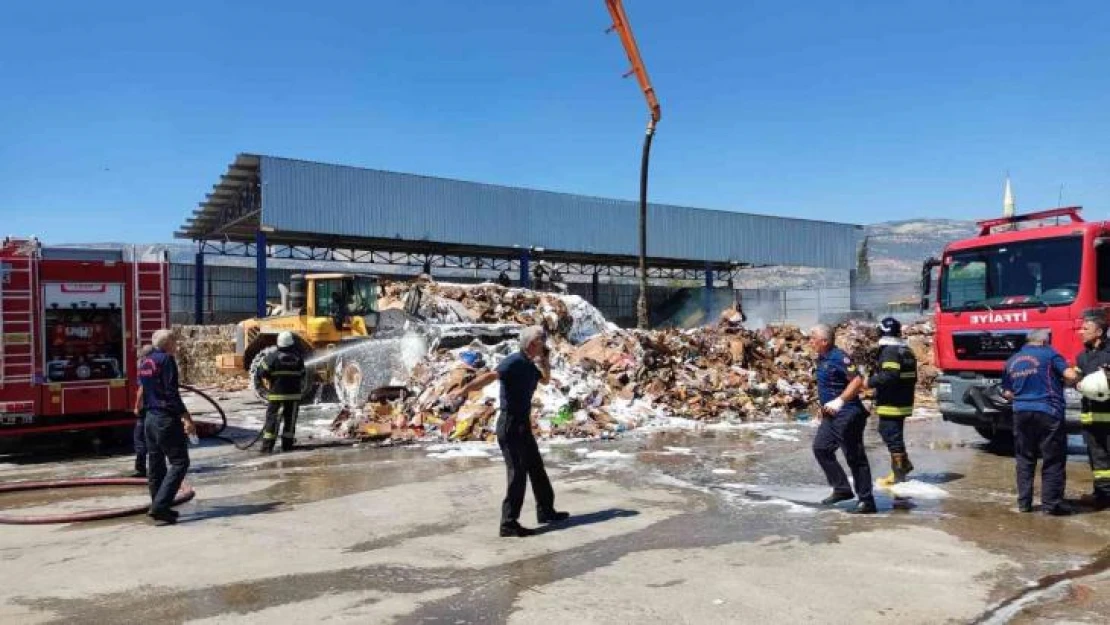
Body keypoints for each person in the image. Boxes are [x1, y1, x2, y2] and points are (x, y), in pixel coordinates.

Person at [450, 326, 569, 536]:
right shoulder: (514, 361)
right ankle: (508, 523)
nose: (546, 344)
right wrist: (463, 390)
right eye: (542, 340)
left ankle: (546, 511)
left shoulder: (530, 364)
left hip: (523, 424)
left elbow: (545, 380)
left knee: (536, 468)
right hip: (510, 424)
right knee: (517, 473)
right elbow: (491, 376)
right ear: (532, 343)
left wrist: (545, 361)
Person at [1001, 328, 1070, 515]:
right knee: (1052, 458)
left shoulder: (1012, 360)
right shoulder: (1049, 354)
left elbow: (1007, 393)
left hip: (1021, 412)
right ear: (1044, 341)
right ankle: (1051, 505)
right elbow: (1069, 375)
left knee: (1024, 458)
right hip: (1048, 410)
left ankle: (1024, 504)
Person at [810, 324, 875, 514]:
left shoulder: (839, 357)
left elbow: (857, 381)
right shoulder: (822, 358)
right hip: (830, 414)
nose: (810, 342)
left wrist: (840, 400)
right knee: (821, 448)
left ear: (824, 341)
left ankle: (867, 501)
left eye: (813, 338)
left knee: (854, 456)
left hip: (847, 413)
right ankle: (842, 489)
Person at [138, 329, 196, 526]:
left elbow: (144, 390)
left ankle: (158, 504)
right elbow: (172, 393)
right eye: (175, 341)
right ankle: (160, 506)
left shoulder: (145, 361)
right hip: (164, 418)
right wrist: (186, 418)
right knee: (180, 462)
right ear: (168, 342)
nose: (177, 345)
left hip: (150, 419)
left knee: (156, 463)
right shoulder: (166, 360)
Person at [1065, 309, 1110, 509]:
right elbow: (1076, 378)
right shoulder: (1082, 356)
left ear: (1099, 332)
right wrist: (1071, 379)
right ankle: (1102, 495)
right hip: (1091, 419)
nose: (1080, 332)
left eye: (1086, 328)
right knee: (1098, 462)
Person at [865, 317, 918, 486]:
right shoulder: (905, 350)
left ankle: (899, 474)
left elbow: (890, 375)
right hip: (902, 399)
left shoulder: (889, 351)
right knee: (891, 434)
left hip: (893, 402)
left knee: (891, 435)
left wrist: (869, 382)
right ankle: (903, 466)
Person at [258, 331, 306, 454]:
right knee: (290, 421)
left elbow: (261, 372)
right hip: (294, 396)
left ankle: (267, 447)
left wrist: (269, 378)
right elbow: (302, 374)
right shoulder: (298, 358)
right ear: (291, 343)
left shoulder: (272, 357)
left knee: (272, 420)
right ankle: (287, 446)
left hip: (277, 395)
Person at [130, 344, 154, 478]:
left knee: (140, 438)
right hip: (157, 407)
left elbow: (142, 388)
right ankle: (156, 467)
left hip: (146, 408)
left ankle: (140, 469)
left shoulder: (145, 366)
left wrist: (136, 405)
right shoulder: (161, 364)